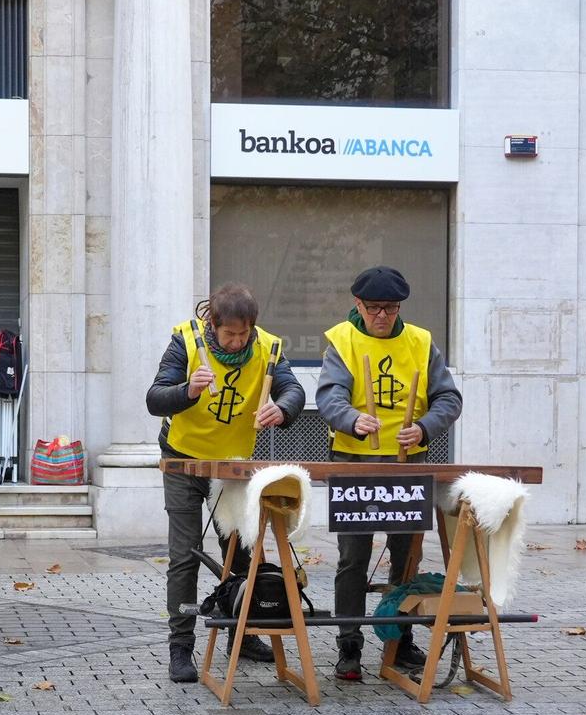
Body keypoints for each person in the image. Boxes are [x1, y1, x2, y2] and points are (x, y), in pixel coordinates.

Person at [145, 283, 305, 684]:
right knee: (185, 555)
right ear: (212, 325)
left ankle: (242, 632)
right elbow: (155, 398)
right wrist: (188, 390)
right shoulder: (185, 342)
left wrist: (282, 408)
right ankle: (181, 645)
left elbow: (293, 389)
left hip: (233, 465)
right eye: (229, 334)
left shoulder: (268, 347)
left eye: (243, 334)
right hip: (183, 459)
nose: (237, 342)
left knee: (241, 552)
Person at [316, 266, 462, 682]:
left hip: (407, 463)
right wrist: (352, 419)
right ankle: (348, 643)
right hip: (354, 462)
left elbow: (448, 397)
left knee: (406, 554)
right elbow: (329, 396)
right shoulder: (342, 340)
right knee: (353, 558)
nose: (382, 315)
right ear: (358, 305)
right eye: (374, 308)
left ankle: (400, 638)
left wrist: (426, 427)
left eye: (391, 308)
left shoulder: (421, 341)